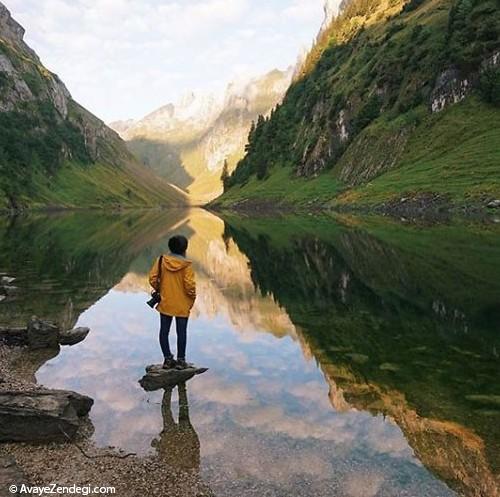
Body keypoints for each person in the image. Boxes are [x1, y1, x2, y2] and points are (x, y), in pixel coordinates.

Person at [148, 235, 196, 369]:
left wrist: (159, 289)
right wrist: (192, 297)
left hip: (165, 301)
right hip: (182, 304)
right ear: (184, 249)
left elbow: (152, 278)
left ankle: (168, 359)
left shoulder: (161, 260)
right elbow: (190, 286)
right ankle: (181, 361)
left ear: (170, 247)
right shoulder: (187, 266)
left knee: (164, 331)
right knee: (181, 332)